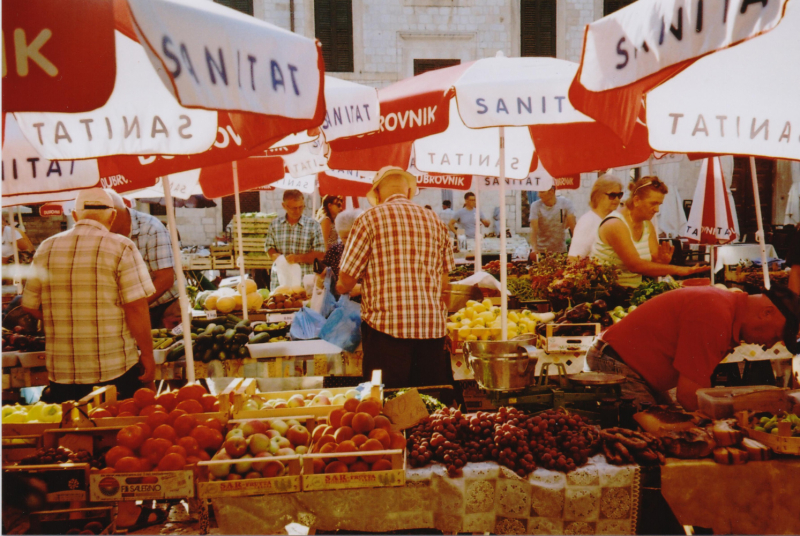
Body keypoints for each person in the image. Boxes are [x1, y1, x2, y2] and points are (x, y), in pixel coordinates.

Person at [21, 188, 156, 403]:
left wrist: (62, 320)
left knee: (72, 434)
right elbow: (136, 307)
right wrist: (147, 354)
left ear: (75, 215)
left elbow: (29, 305)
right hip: (115, 368)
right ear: (112, 216)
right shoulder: (122, 247)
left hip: (62, 373)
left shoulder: (46, 247)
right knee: (116, 430)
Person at [586, 284, 800, 410]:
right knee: (651, 444)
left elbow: (694, 389)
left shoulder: (725, 309)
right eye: (776, 335)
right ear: (767, 313)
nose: (770, 344)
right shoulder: (715, 315)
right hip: (617, 363)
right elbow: (689, 395)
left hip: (633, 369)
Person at [336, 166, 455, 389]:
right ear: (409, 192)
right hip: (431, 331)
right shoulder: (436, 221)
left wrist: (343, 285)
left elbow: (347, 277)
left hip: (385, 333)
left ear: (378, 194)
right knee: (430, 408)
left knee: (387, 406)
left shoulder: (369, 219)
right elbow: (445, 284)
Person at [591, 176, 708, 287]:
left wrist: (662, 262)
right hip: (606, 295)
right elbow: (635, 265)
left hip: (631, 291)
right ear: (636, 200)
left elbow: (652, 265)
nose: (657, 210)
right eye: (653, 203)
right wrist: (678, 269)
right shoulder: (615, 224)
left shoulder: (646, 224)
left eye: (659, 204)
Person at [105, 191, 181, 329]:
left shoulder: (151, 228)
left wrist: (134, 307)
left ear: (114, 215)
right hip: (130, 308)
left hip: (163, 307)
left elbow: (165, 279)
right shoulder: (104, 235)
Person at [265, 189, 325, 291]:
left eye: (301, 207)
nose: (297, 211)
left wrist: (298, 258)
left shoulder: (313, 225)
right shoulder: (275, 225)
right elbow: (269, 247)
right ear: (284, 206)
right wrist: (273, 254)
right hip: (279, 282)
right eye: (293, 208)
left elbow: (320, 254)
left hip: (304, 284)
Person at [568, 174, 624, 258]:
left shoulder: (614, 219)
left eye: (619, 195)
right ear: (598, 196)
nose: (617, 199)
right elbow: (574, 259)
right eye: (612, 195)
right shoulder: (587, 222)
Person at [322, 209, 363, 300]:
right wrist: (322, 277)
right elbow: (324, 280)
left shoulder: (372, 251)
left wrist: (361, 288)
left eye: (353, 237)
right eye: (344, 238)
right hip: (339, 307)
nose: (349, 242)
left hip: (367, 307)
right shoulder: (334, 252)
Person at [529, 185, 576, 258]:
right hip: (541, 252)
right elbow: (533, 230)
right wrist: (534, 249)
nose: (539, 195)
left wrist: (576, 249)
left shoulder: (565, 203)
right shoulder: (535, 206)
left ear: (551, 192)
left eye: (542, 192)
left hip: (560, 252)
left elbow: (573, 227)